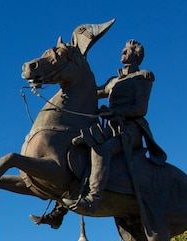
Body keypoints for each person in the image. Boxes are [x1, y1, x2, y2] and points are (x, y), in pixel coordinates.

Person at [70, 39, 165, 212]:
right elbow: (90, 93)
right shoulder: (113, 81)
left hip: (130, 130)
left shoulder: (143, 76)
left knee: (102, 150)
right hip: (110, 128)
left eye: (127, 50)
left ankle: (93, 198)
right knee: (77, 145)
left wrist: (115, 112)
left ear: (136, 56)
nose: (122, 52)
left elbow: (141, 108)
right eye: (122, 50)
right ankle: (60, 208)